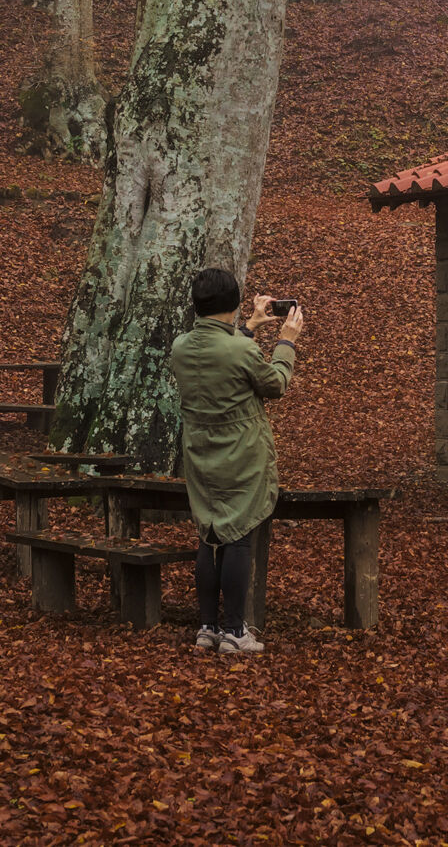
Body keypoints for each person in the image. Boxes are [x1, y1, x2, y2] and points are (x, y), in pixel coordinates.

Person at [167, 266, 306, 654]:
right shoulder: (241, 349)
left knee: (209, 533)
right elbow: (274, 383)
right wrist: (286, 342)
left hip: (200, 452)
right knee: (239, 534)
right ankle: (234, 630)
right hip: (241, 453)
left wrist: (249, 325)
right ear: (233, 303)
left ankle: (207, 627)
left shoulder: (181, 346)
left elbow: (220, 353)